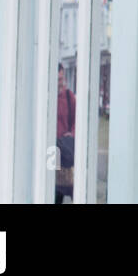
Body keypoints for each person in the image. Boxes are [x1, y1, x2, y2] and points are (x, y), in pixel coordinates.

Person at [55, 63, 75, 203]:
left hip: (66, 148)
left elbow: (77, 119)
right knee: (54, 190)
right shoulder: (47, 97)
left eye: (61, 79)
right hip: (52, 149)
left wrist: (72, 133)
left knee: (72, 185)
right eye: (57, 80)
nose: (60, 83)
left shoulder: (69, 96)